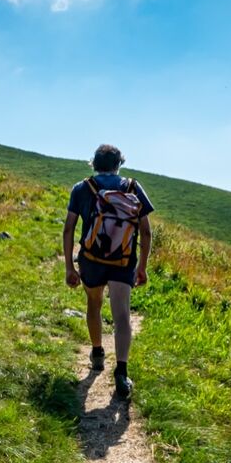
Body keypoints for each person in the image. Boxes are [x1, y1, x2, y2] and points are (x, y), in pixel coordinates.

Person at [63, 144, 154, 399]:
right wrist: (142, 266)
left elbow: (69, 229)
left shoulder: (82, 188)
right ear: (119, 164)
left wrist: (69, 266)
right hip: (123, 260)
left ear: (93, 163)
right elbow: (146, 232)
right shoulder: (133, 187)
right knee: (122, 315)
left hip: (91, 259)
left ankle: (97, 353)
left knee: (94, 304)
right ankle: (121, 372)